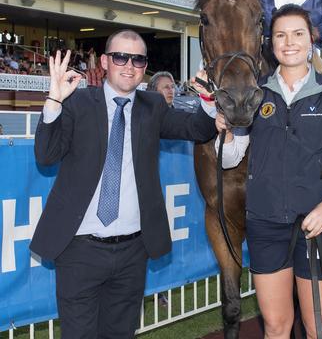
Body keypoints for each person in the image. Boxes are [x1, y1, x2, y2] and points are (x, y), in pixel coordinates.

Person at [30, 30, 217, 338]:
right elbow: (46, 154)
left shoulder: (153, 106)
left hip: (132, 252)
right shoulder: (78, 102)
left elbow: (197, 129)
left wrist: (208, 100)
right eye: (120, 57)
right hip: (79, 251)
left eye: (139, 59)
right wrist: (53, 100)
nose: (129, 65)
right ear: (104, 61)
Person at [216, 4, 322, 339]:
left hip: (318, 224)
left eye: (298, 33)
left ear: (311, 40)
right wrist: (223, 129)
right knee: (276, 327)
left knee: (318, 327)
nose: (289, 41)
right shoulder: (256, 93)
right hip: (265, 223)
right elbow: (230, 158)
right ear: (270, 42)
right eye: (280, 35)